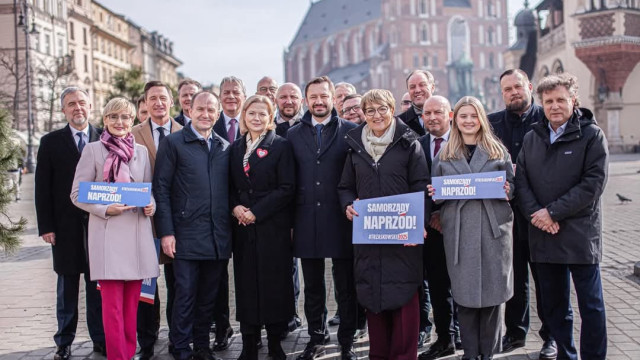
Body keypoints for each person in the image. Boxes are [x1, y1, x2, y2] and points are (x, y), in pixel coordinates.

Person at [515, 73, 608, 360]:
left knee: (591, 306)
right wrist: (537, 215)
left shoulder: (592, 135)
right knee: (555, 306)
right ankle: (566, 355)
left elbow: (593, 183)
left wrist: (552, 212)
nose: (555, 106)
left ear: (573, 100)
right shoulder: (532, 138)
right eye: (548, 101)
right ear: (541, 103)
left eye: (560, 100)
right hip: (543, 234)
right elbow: (522, 183)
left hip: (580, 235)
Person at [338, 89, 430, 360]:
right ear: (363, 115)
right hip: (369, 236)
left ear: (392, 110)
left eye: (382, 109)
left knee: (403, 297)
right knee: (373, 297)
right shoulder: (354, 147)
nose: (376, 115)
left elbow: (420, 186)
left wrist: (419, 223)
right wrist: (348, 205)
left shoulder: (408, 144)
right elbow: (345, 186)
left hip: (402, 234)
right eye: (370, 111)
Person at [70, 97, 159, 360]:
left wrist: (151, 205)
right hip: (107, 237)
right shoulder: (93, 150)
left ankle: (128, 353)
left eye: (125, 118)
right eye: (114, 117)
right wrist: (104, 209)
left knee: (132, 307)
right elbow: (77, 194)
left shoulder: (141, 151)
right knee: (112, 310)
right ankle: (118, 356)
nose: (120, 123)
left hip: (136, 237)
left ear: (132, 121)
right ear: (105, 120)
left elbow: (147, 188)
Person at [429, 96, 515, 360]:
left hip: (493, 231)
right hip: (460, 233)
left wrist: (508, 190)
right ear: (456, 119)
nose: (469, 121)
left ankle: (488, 354)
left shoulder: (498, 151)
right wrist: (435, 193)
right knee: (465, 298)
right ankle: (470, 354)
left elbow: (512, 188)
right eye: (463, 116)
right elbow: (438, 193)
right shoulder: (444, 154)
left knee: (492, 295)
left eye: (474, 116)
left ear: (482, 119)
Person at [153, 90, 231, 360]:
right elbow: (160, 189)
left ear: (218, 114)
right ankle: (181, 346)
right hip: (184, 235)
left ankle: (201, 346)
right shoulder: (173, 143)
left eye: (211, 110)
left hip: (217, 236)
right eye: (200, 109)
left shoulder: (224, 146)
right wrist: (166, 232)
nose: (205, 114)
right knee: (185, 295)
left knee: (208, 297)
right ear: (189, 110)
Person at [287, 76, 358, 360]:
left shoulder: (352, 131)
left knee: (346, 284)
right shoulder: (292, 135)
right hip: (305, 218)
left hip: (341, 217)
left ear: (333, 99)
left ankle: (347, 340)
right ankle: (316, 335)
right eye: (313, 96)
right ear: (306, 100)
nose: (318, 101)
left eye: (323, 96)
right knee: (313, 285)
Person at [487, 69, 555, 359]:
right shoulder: (491, 123)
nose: (513, 92)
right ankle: (515, 332)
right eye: (507, 89)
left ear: (529, 87)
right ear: (501, 93)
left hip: (541, 213)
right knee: (513, 278)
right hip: (505, 215)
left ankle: (551, 337)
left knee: (546, 279)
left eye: (518, 86)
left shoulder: (547, 118)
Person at [35, 86, 105, 360]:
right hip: (64, 229)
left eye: (82, 103)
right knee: (67, 288)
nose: (78, 108)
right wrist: (46, 226)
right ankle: (64, 341)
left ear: (90, 106)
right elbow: (42, 188)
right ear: (64, 109)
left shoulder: (104, 136)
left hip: (98, 226)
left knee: (96, 286)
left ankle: (99, 339)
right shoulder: (51, 141)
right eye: (71, 104)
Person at [229, 95, 295, 360]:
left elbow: (287, 188)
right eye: (252, 113)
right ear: (244, 115)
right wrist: (235, 208)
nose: (256, 118)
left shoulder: (281, 145)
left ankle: (275, 341)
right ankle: (248, 341)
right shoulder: (234, 148)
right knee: (246, 285)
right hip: (242, 228)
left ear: (270, 118)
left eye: (262, 114)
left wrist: (257, 212)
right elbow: (230, 187)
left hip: (272, 227)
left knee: (274, 285)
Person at [131, 81, 184, 359]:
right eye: (153, 99)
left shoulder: (185, 133)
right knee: (146, 288)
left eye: (163, 98)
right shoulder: (132, 134)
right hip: (142, 221)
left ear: (171, 102)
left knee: (178, 283)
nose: (158, 103)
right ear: (146, 103)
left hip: (177, 222)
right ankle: (147, 342)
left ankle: (177, 338)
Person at [418, 96, 460, 360]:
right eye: (427, 113)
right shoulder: (417, 145)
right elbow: (415, 184)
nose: (432, 117)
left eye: (438, 112)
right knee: (438, 285)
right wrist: (432, 214)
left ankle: (464, 332)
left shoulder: (465, 142)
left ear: (450, 114)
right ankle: (445, 338)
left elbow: (471, 182)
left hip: (459, 225)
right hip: (430, 229)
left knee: (463, 284)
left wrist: (446, 214)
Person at [211, 76, 245, 350]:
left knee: (248, 273)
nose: (231, 96)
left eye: (236, 92)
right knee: (219, 276)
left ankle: (252, 327)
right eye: (226, 93)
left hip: (248, 214)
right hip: (219, 213)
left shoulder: (255, 120)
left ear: (243, 95)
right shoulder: (211, 124)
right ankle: (222, 328)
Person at [398, 70, 436, 136]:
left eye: (422, 85)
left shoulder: (449, 117)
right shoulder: (399, 122)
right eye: (412, 87)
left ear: (432, 88)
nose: (417, 90)